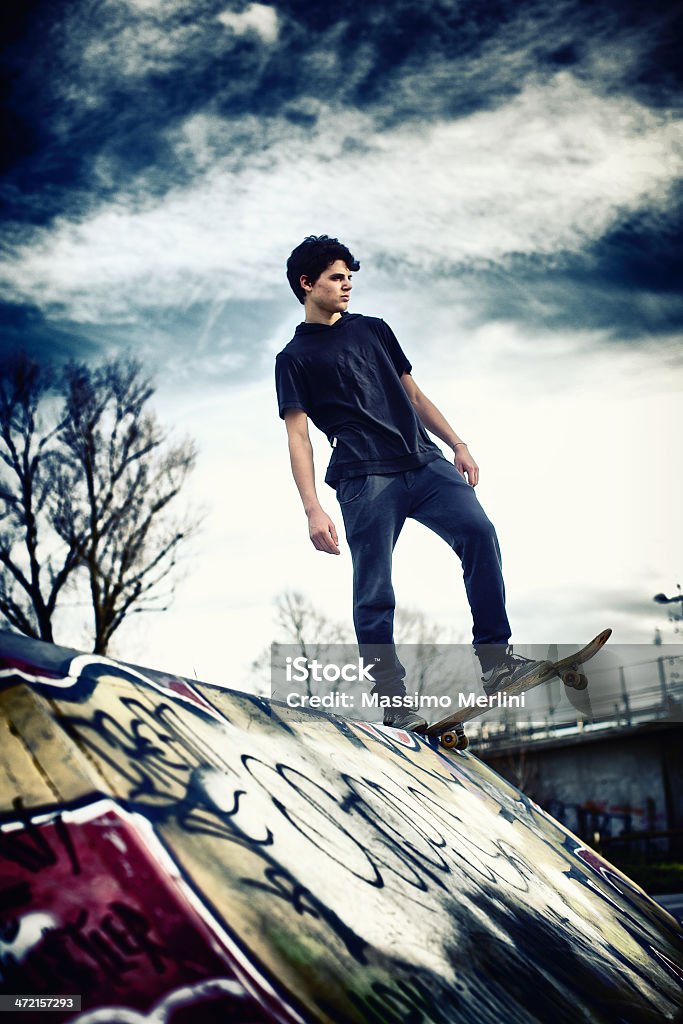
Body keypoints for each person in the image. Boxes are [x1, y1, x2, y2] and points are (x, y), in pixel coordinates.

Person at [275, 235, 550, 732]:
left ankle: (496, 662)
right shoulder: (293, 358)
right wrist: (312, 508)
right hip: (364, 478)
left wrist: (458, 443)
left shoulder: (375, 331)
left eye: (350, 278)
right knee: (375, 592)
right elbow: (298, 437)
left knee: (480, 534)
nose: (346, 286)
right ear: (307, 283)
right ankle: (395, 702)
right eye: (336, 278)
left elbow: (416, 396)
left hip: (424, 462)